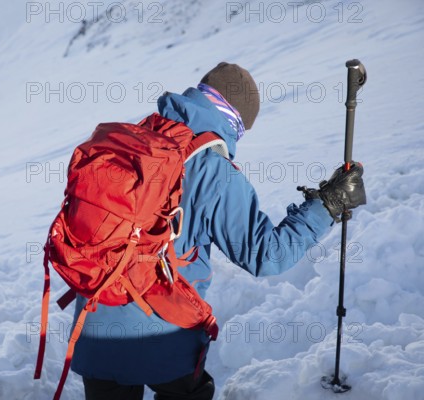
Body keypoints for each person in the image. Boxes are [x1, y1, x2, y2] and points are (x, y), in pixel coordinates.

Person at [69, 62, 366, 400]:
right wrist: (328, 204)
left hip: (93, 328)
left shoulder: (139, 139)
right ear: (234, 119)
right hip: (160, 333)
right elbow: (266, 255)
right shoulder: (214, 170)